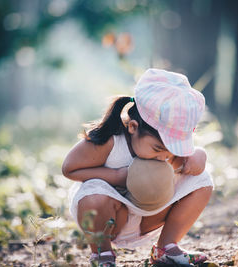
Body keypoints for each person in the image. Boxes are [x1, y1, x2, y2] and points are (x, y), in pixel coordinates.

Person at [62, 68, 214, 266]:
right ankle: (102, 253)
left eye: (172, 149)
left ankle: (166, 247)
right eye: (158, 148)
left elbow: (189, 162)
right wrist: (117, 176)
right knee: (92, 194)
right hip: (111, 217)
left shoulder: (166, 150)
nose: (165, 156)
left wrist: (199, 156)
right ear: (133, 127)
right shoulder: (109, 142)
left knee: (202, 180)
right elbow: (69, 168)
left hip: (148, 218)